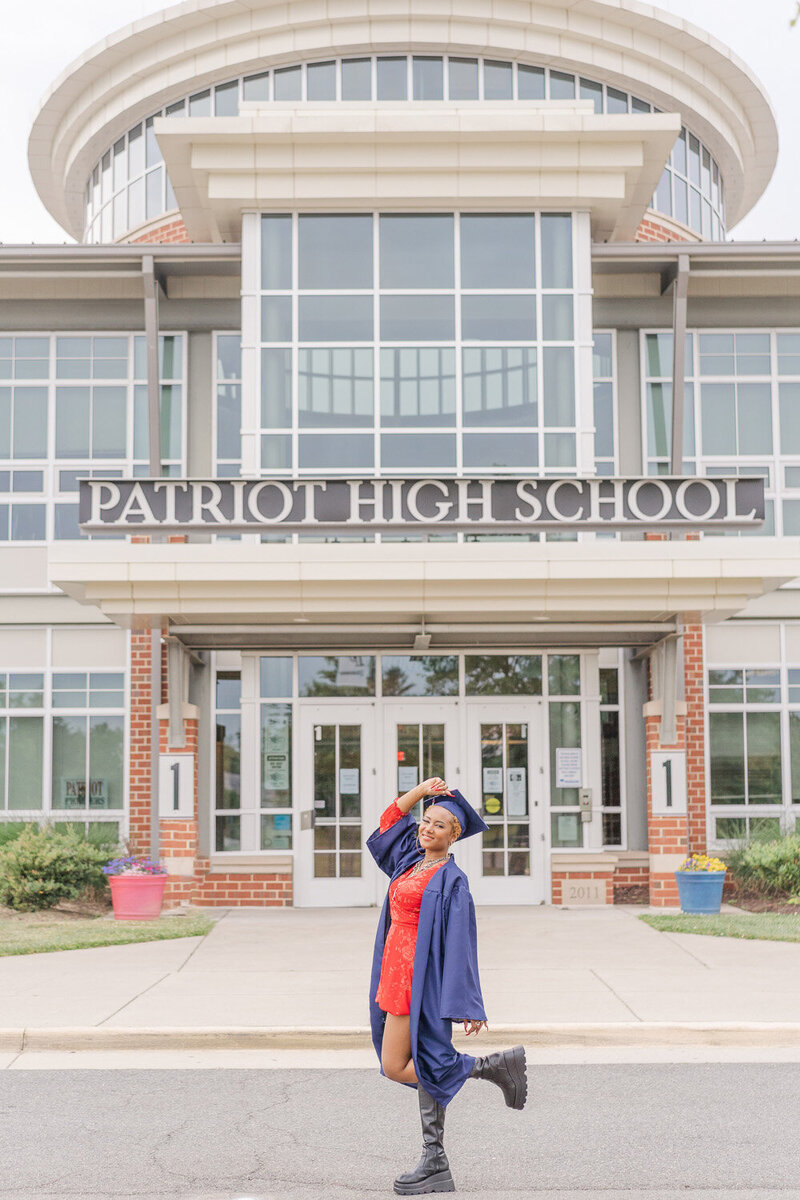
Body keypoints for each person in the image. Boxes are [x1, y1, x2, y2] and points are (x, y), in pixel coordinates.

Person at [367, 776, 527, 1195]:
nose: (427, 828)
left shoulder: (452, 880)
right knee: (415, 1062)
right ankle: (439, 1154)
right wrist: (420, 792)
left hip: (420, 981)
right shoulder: (410, 861)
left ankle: (481, 1078)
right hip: (393, 971)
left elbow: (461, 942)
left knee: (397, 1065)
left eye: (439, 824)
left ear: (454, 835)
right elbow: (387, 824)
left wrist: (466, 1001)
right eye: (426, 820)